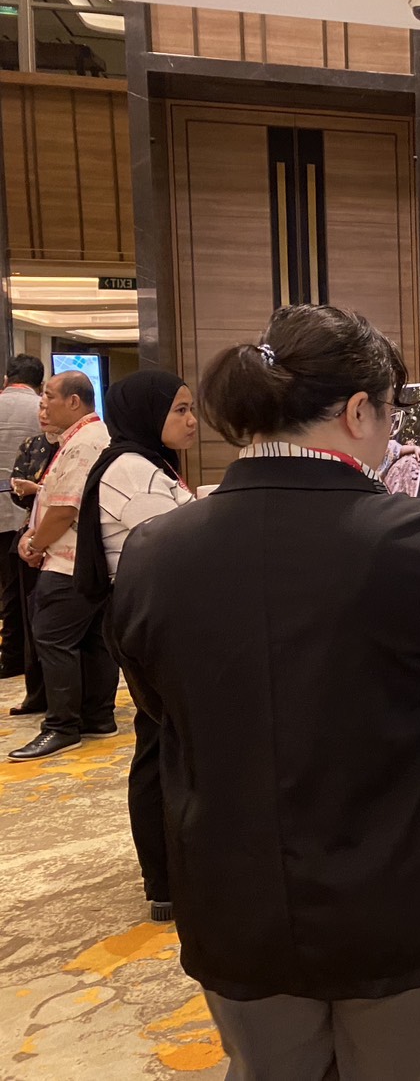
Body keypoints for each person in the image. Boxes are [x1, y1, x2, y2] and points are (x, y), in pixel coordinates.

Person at [110, 304, 420, 1079]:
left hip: (235, 906)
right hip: (408, 908)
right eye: (390, 411)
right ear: (359, 410)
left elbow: (160, 709)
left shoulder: (156, 550)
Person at [70, 370, 197, 922]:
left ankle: (169, 875)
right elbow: (176, 548)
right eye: (179, 410)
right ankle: (165, 878)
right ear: (148, 414)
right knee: (160, 747)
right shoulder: (131, 469)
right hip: (153, 624)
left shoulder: (144, 463)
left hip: (148, 620)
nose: (191, 421)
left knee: (160, 742)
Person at [8, 372, 117, 762]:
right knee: (91, 639)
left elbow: (65, 508)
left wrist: (35, 543)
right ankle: (97, 717)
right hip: (83, 560)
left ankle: (61, 726)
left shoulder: (85, 442)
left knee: (53, 637)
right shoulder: (84, 437)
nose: (43, 404)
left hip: (68, 560)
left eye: (49, 397)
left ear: (74, 402)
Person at [7, 429, 58, 716]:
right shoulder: (32, 444)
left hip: (64, 541)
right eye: (42, 407)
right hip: (31, 531)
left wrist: (38, 489)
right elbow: (18, 491)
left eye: (48, 406)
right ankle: (36, 694)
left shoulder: (81, 443)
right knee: (31, 619)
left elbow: (75, 495)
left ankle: (74, 706)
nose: (44, 412)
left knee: (58, 626)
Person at [0, 355, 43, 678]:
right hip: (26, 511)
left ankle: (10, 656)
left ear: (7, 378)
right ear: (39, 384)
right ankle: (19, 655)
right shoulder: (44, 409)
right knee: (20, 589)